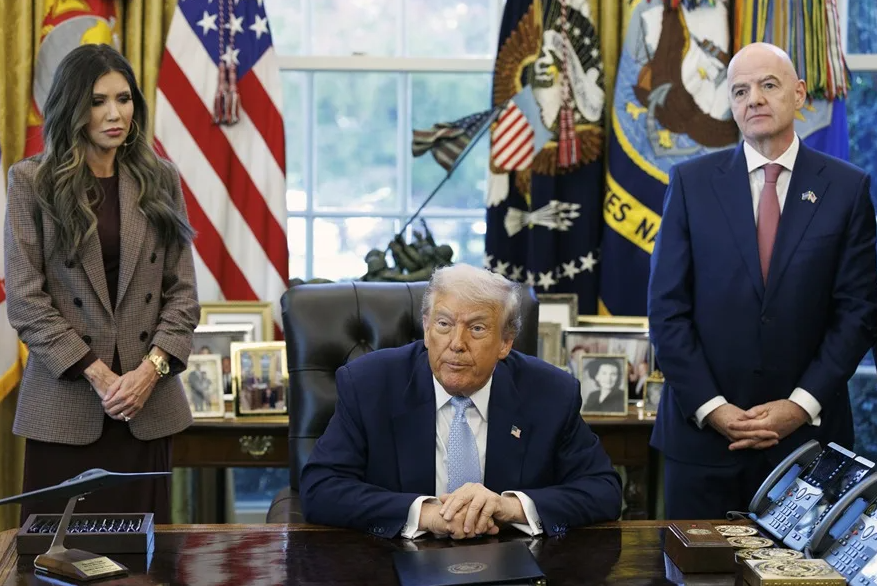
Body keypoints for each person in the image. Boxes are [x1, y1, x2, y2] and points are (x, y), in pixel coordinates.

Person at [648, 42, 877, 519]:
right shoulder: (690, 183)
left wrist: (799, 406)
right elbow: (667, 310)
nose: (753, 98)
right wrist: (713, 408)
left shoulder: (847, 187)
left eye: (768, 85)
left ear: (799, 94)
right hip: (702, 443)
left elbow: (857, 313)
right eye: (740, 90)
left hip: (808, 443)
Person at [4, 44, 199, 524]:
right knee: (55, 556)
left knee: (145, 556)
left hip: (145, 407)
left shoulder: (160, 179)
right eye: (97, 101)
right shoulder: (31, 181)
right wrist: (101, 375)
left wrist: (149, 372)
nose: (115, 114)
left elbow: (182, 295)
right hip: (65, 408)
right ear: (72, 107)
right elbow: (26, 301)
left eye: (124, 98)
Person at [300, 263, 622, 539]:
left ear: (505, 343)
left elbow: (603, 490)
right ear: (427, 329)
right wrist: (426, 514)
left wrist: (507, 507)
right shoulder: (369, 385)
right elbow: (320, 488)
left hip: (512, 560)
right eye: (444, 324)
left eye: (477, 328)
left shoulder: (551, 393)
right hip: (393, 561)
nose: (457, 343)